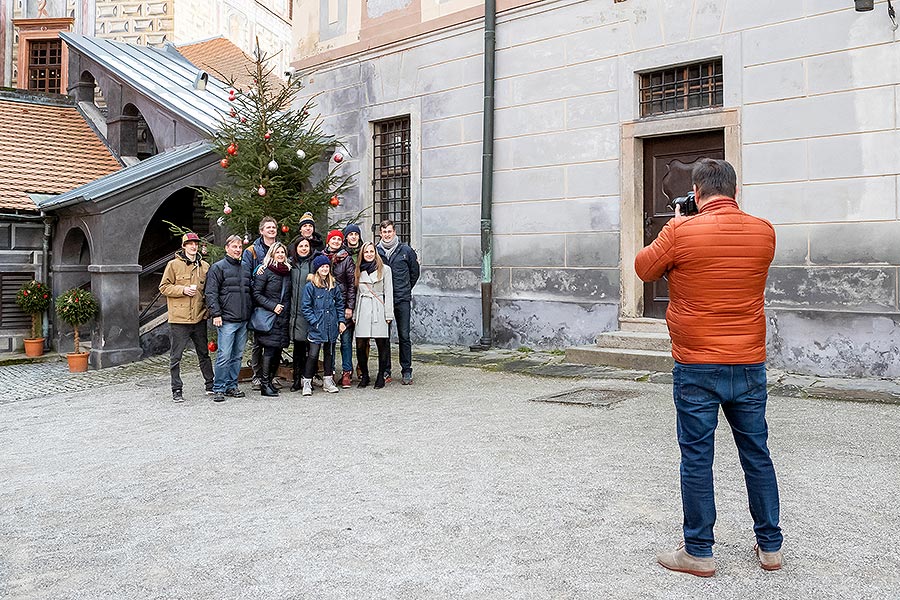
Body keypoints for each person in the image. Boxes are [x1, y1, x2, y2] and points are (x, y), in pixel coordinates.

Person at [635, 158, 782, 577]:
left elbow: (644, 268)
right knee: (757, 453)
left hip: (697, 362)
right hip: (748, 361)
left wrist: (676, 223)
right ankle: (770, 546)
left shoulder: (681, 230)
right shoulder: (764, 231)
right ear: (735, 191)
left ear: (696, 192)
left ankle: (699, 551)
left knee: (697, 457)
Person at [159, 232, 214, 402]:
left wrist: (208, 311)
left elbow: (210, 291)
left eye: (195, 243)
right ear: (183, 246)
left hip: (199, 317)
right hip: (179, 319)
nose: (193, 246)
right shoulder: (173, 265)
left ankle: (210, 384)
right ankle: (176, 389)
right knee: (176, 356)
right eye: (189, 243)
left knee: (203, 353)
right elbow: (164, 287)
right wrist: (182, 290)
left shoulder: (205, 266)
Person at [205, 235, 253, 403]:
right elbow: (211, 292)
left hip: (243, 319)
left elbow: (250, 291)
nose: (238, 249)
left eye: (240, 247)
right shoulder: (218, 268)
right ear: (227, 248)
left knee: (237, 355)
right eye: (234, 247)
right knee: (224, 355)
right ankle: (219, 387)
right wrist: (216, 313)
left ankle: (232, 385)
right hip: (226, 319)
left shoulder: (246, 267)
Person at [376, 219, 420, 385]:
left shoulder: (406, 251)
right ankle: (386, 369)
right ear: (381, 233)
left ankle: (406, 370)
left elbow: (414, 273)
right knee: (383, 336)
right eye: (384, 232)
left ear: (394, 232)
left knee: (404, 335)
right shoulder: (376, 251)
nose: (387, 234)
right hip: (383, 300)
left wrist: (406, 288)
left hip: (401, 298)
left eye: (389, 231)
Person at [300, 254, 346, 396]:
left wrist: (341, 321)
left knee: (329, 354)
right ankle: (307, 381)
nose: (325, 269)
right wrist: (314, 321)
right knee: (313, 354)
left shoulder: (333, 285)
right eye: (322, 267)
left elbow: (339, 304)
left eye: (327, 266)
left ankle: (328, 380)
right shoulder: (311, 286)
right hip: (317, 326)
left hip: (331, 325)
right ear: (317, 269)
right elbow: (305, 307)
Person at [251, 242, 293, 397]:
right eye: (278, 252)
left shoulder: (288, 271)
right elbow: (256, 294)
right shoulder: (265, 271)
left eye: (283, 252)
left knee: (277, 350)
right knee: (269, 350)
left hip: (283, 317)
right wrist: (273, 306)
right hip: (270, 316)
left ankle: (269, 382)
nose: (281, 254)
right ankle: (264, 384)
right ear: (272, 254)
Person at [243, 216, 280, 390]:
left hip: (278, 302)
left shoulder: (280, 249)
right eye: (268, 227)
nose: (271, 230)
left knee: (276, 340)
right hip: (259, 301)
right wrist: (258, 287)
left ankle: (272, 375)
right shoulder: (252, 251)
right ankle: (257, 375)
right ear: (261, 231)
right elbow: (246, 275)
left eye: (273, 227)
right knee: (259, 340)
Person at [353, 242, 393, 389]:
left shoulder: (385, 270)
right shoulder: (358, 270)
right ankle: (365, 375)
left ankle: (381, 376)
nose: (369, 254)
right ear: (362, 255)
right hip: (363, 308)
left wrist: (389, 314)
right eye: (366, 252)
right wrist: (356, 314)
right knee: (360, 345)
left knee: (382, 344)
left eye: (371, 251)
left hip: (378, 308)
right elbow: (358, 294)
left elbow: (389, 292)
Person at [323, 229, 357, 388]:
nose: (335, 241)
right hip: (327, 305)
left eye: (338, 239)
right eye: (333, 239)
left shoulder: (347, 259)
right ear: (328, 241)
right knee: (330, 341)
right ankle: (330, 372)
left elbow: (351, 285)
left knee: (345, 340)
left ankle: (346, 372)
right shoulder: (322, 257)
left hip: (343, 304)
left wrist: (350, 306)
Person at [288, 237, 317, 392]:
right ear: (296, 248)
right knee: (298, 348)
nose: (304, 248)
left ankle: (308, 378)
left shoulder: (313, 265)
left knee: (310, 348)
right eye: (301, 246)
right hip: (295, 311)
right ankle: (296, 379)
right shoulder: (290, 264)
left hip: (309, 311)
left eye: (306, 246)